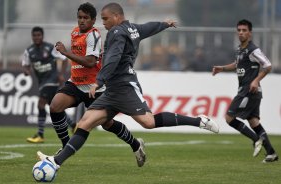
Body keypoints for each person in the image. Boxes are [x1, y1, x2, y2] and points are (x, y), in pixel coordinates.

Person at [37, 2, 219, 172]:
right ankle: (56, 162)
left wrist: (99, 81)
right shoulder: (132, 29)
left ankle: (199, 121)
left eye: (105, 18)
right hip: (113, 90)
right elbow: (148, 28)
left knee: (149, 122)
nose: (104, 23)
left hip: (125, 86)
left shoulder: (116, 33)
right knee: (85, 123)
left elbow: (113, 59)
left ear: (116, 16)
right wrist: (164, 24)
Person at [49, 2, 146, 167]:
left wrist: (66, 52)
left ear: (94, 21)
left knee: (107, 124)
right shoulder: (74, 32)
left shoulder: (94, 35)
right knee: (55, 106)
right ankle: (66, 146)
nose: (81, 21)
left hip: (96, 87)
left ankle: (136, 144)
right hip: (76, 83)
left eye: (86, 18)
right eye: (79, 17)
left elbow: (90, 62)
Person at [212, 19, 278, 163]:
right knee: (254, 122)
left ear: (250, 33)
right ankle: (271, 153)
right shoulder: (239, 49)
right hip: (251, 92)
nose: (241, 33)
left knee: (229, 118)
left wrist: (256, 80)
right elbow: (237, 64)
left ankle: (256, 140)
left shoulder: (253, 50)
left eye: (244, 30)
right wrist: (222, 68)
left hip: (248, 90)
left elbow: (267, 65)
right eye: (239, 30)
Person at [22, 26, 74, 143]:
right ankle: (73, 125)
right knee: (55, 106)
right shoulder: (29, 51)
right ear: (32, 37)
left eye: (38, 35)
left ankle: (40, 134)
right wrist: (26, 70)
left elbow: (64, 59)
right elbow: (25, 64)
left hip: (52, 80)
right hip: (42, 82)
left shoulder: (49, 48)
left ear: (42, 36)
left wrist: (61, 74)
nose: (36, 37)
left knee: (41, 104)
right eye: (34, 35)